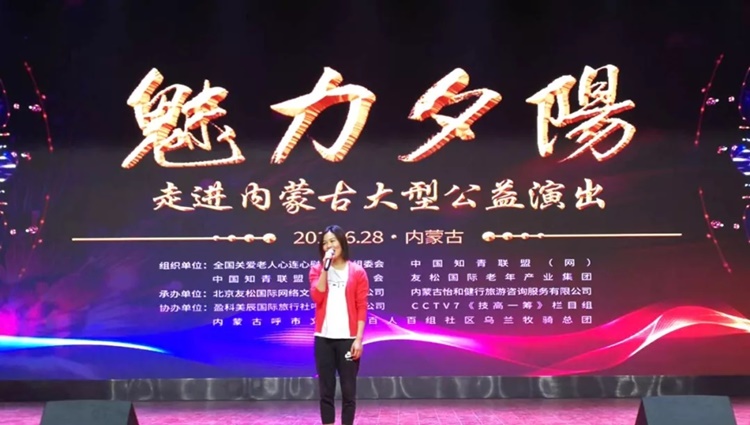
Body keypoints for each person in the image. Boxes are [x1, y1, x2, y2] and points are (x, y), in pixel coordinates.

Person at [309, 225, 369, 425]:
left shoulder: (357, 272)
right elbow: (317, 296)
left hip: (348, 340)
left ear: (342, 242)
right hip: (324, 339)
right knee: (326, 390)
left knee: (348, 390)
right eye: (325, 243)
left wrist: (358, 339)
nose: (329, 245)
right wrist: (325, 269)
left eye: (332, 241)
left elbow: (361, 306)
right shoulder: (317, 269)